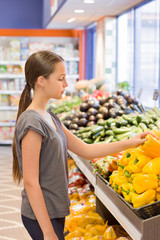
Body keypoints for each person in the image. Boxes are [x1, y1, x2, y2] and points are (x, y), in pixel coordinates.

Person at [12, 50, 153, 240]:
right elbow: (30, 182)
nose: (66, 84)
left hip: (54, 209)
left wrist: (132, 142)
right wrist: (47, 232)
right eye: (61, 78)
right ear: (41, 81)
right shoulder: (32, 122)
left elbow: (86, 150)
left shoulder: (50, 117)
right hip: (41, 215)